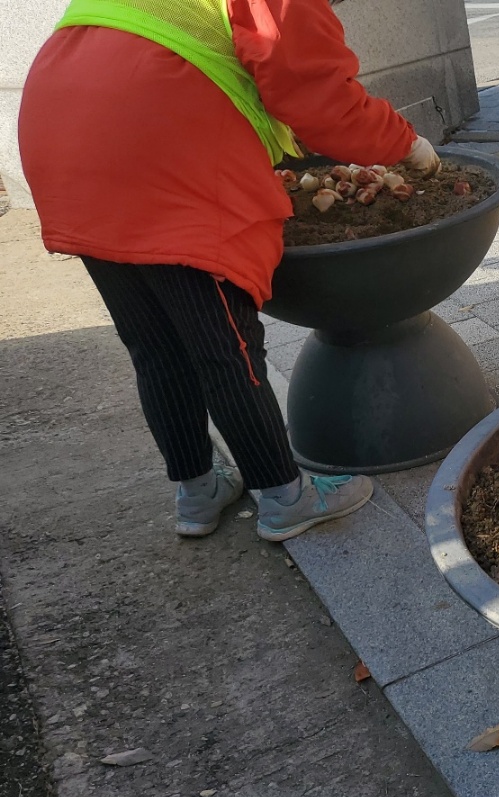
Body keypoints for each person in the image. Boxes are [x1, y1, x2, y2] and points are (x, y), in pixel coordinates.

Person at [19, 0, 442, 542]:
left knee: (154, 344)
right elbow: (317, 94)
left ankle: (198, 492)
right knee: (226, 348)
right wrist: (404, 142)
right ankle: (285, 498)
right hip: (152, 149)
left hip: (60, 140)